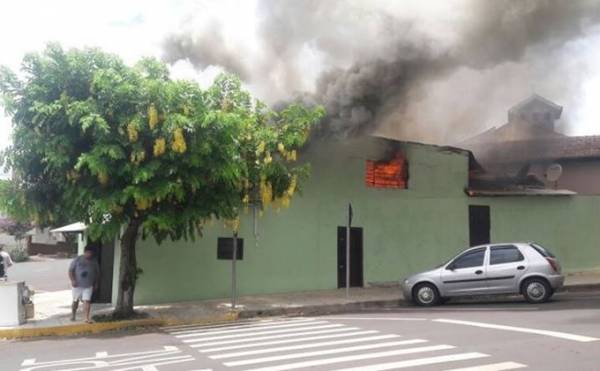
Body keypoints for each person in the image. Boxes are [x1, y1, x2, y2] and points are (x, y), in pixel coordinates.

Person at [68, 245, 100, 323]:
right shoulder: (78, 259)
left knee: (87, 300)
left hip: (88, 285)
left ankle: (86, 317)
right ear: (85, 252)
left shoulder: (94, 261)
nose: (89, 255)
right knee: (75, 301)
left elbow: (98, 273)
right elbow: (70, 271)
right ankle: (73, 314)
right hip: (77, 285)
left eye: (91, 253)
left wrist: (96, 283)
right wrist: (73, 280)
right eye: (88, 253)